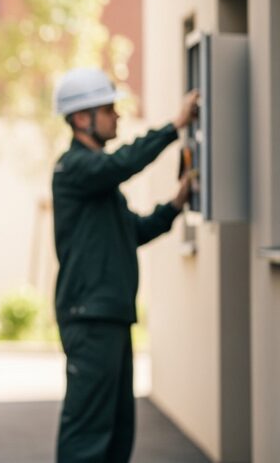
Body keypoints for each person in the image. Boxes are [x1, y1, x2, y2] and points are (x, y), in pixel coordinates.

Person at [51, 67, 198, 463]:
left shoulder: (100, 183)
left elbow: (134, 230)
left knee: (117, 428)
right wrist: (175, 125)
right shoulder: (75, 167)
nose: (116, 116)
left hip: (109, 316)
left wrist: (176, 204)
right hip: (91, 318)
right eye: (108, 110)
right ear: (81, 118)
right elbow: (121, 163)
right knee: (88, 434)